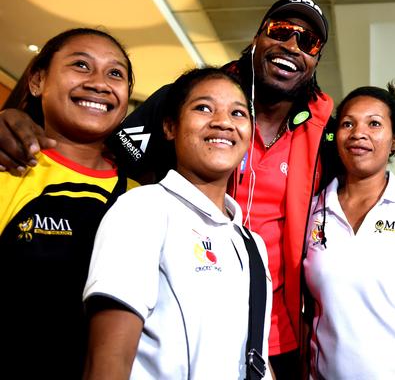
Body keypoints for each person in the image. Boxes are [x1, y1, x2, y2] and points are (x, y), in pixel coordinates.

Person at [0, 0, 334, 377]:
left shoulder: (326, 136)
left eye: (308, 41)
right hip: (165, 325)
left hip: (271, 330)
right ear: (257, 36)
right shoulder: (141, 204)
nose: (292, 45)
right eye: (281, 31)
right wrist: (16, 117)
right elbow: (99, 141)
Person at [83, 67, 271, 379]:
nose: (223, 122)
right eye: (203, 108)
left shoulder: (251, 243)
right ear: (170, 127)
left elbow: (256, 356)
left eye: (237, 113)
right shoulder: (143, 209)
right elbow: (107, 361)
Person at [0, 28, 137, 379]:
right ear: (36, 81)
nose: (99, 83)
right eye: (81, 65)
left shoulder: (141, 197)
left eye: (115, 73)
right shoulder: (8, 172)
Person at [303, 84, 395, 379]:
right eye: (348, 123)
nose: (359, 133)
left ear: (394, 140)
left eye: (374, 123)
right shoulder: (311, 211)